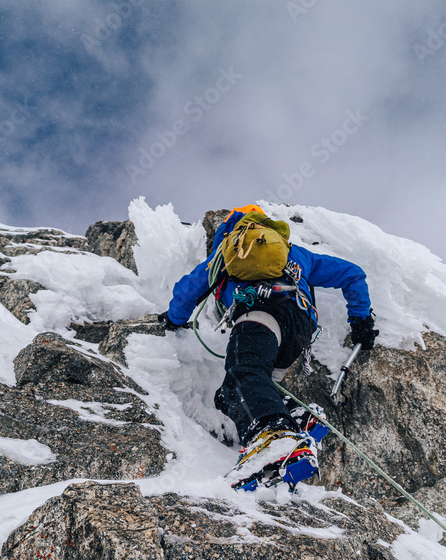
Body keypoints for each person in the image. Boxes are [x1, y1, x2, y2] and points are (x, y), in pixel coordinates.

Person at [159, 205, 378, 484]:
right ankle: (294, 418)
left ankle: (273, 437)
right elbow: (352, 273)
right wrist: (361, 320)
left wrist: (173, 320)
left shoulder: (230, 250)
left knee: (241, 377)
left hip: (260, 317)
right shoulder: (294, 253)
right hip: (299, 330)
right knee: (237, 390)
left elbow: (189, 288)